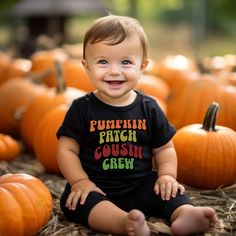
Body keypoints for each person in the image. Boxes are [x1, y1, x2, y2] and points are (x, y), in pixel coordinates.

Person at [56, 14, 218, 236]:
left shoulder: (149, 107)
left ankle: (184, 213)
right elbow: (66, 149)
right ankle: (123, 223)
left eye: (126, 62)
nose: (114, 71)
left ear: (142, 67)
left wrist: (167, 176)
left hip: (141, 185)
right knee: (74, 201)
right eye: (103, 62)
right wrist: (80, 181)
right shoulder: (81, 108)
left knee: (169, 191)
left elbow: (164, 148)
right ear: (86, 66)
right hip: (98, 186)